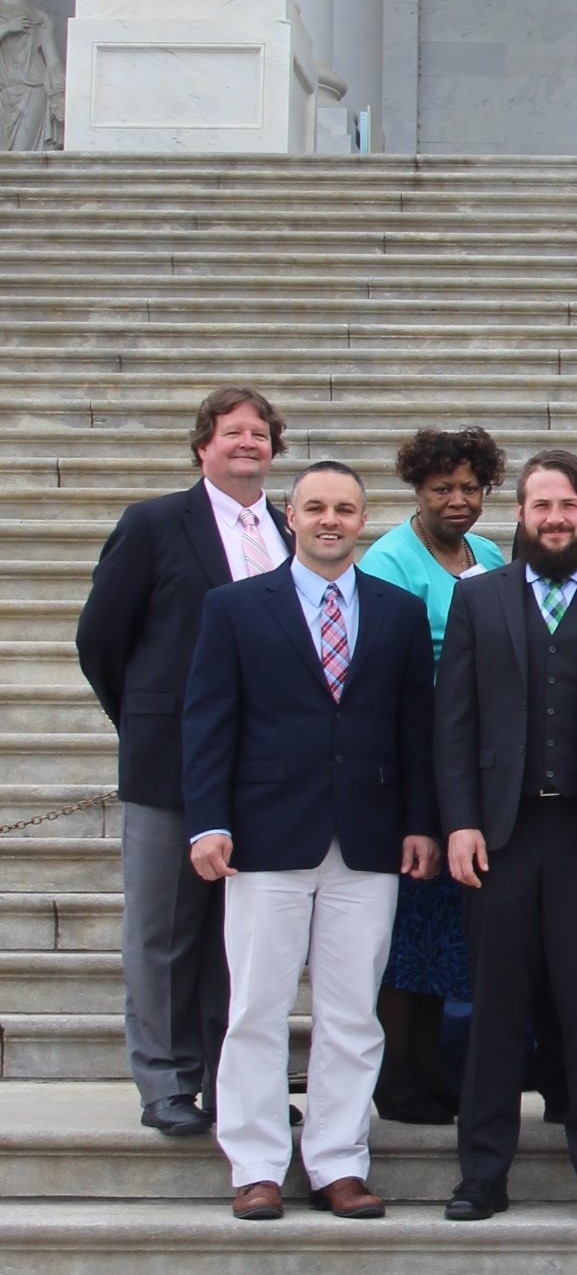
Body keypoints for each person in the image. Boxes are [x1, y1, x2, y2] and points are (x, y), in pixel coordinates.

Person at [183, 462, 440, 1221]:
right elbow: (206, 722)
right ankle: (256, 1164)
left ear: (365, 520)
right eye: (317, 506)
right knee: (257, 1007)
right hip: (265, 835)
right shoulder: (233, 607)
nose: (332, 519)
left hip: (368, 838)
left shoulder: (396, 610)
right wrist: (209, 820)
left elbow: (414, 728)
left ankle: (337, 1161)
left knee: (353, 1011)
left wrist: (421, 821)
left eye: (347, 508)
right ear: (289, 515)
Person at [435, 450, 577, 1223]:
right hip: (499, 836)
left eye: (568, 505)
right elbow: (454, 723)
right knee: (496, 1009)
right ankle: (482, 1174)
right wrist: (461, 819)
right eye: (541, 507)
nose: (555, 519)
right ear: (522, 515)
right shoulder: (479, 599)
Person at [75, 387, 292, 1137]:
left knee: (239, 936)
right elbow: (100, 639)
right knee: (165, 930)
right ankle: (166, 1079)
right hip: (170, 765)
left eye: (259, 434)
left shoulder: (288, 529)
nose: (247, 444)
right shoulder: (154, 524)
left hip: (262, 770)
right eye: (232, 432)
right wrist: (147, 721)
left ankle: (230, 1079)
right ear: (203, 445)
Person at [358, 426, 508, 1125]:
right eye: (442, 488)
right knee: (407, 937)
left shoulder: (487, 552)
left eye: (470, 488)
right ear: (416, 488)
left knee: (452, 935)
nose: (458, 500)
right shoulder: (391, 559)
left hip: (476, 762)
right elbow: (390, 669)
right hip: (417, 760)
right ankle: (399, 1078)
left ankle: (440, 1069)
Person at [0, 0, 64, 152]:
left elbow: (53, 63)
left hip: (33, 89)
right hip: (3, 88)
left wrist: (59, 96)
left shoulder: (40, 17)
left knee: (23, 155)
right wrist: (7, 28)